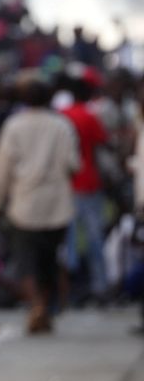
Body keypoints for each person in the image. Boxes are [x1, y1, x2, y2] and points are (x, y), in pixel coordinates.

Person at [0, 80, 79, 334]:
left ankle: (37, 306)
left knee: (26, 262)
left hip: (25, 204)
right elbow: (73, 165)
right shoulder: (62, 126)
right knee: (48, 262)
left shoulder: (14, 126)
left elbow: (2, 168)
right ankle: (44, 310)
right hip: (56, 204)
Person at [61, 77, 109, 302]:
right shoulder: (90, 116)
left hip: (67, 184)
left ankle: (69, 286)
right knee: (94, 238)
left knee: (68, 239)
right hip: (89, 182)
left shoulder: (63, 115)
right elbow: (103, 143)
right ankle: (99, 286)